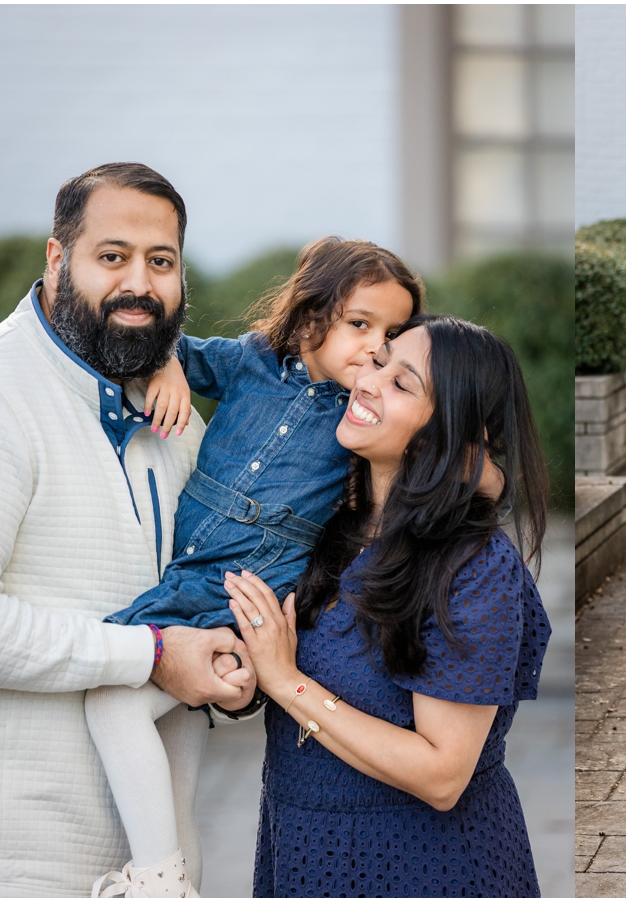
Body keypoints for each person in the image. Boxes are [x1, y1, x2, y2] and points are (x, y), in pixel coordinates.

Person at [86, 237, 499, 897]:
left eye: (392, 335)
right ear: (311, 317)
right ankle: (174, 878)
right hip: (187, 584)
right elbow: (154, 347)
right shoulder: (250, 362)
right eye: (360, 325)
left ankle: (158, 876)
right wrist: (165, 365)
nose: (374, 349)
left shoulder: (359, 415)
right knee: (174, 750)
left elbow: (482, 473)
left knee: (113, 698)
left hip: (246, 603)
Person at [0, 162, 258, 897]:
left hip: (157, 874)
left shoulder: (171, 415)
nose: (139, 282)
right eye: (112, 256)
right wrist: (153, 653)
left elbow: (206, 602)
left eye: (160, 261)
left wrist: (230, 671)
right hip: (14, 868)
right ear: (57, 259)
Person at [222, 313, 552, 897]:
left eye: (403, 384)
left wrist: (285, 680)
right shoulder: (326, 527)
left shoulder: (474, 563)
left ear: (443, 432)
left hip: (427, 865)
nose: (370, 381)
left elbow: (443, 774)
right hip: (303, 850)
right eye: (377, 363)